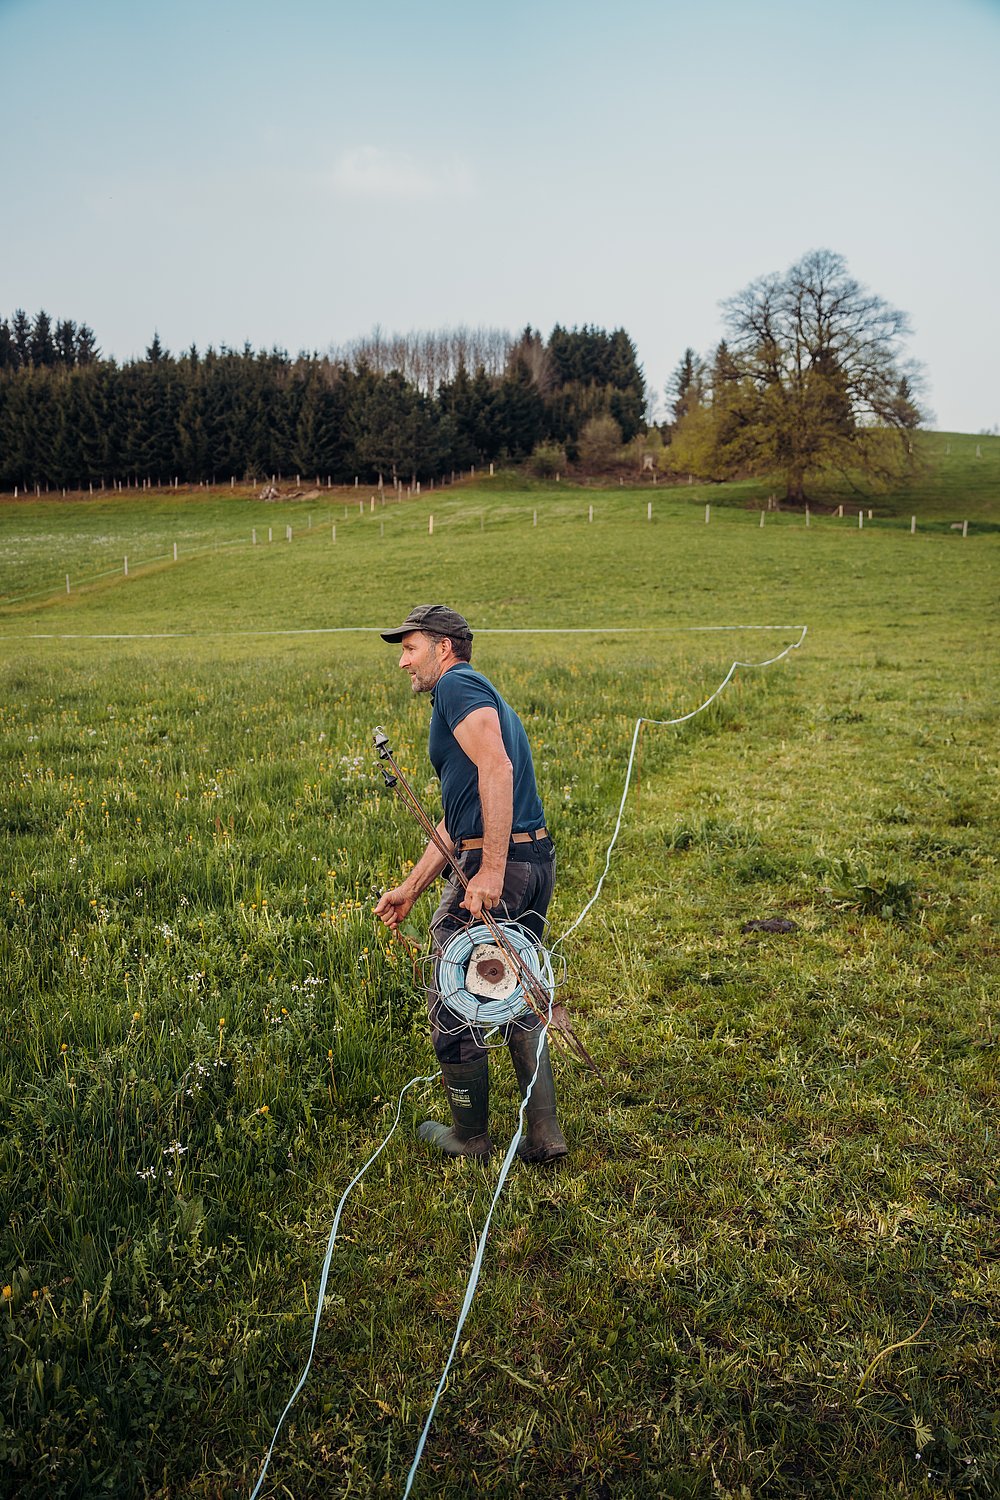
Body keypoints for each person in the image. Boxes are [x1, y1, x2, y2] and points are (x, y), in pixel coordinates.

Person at [373, 603, 568, 1165]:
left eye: (409, 648)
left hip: (502, 869)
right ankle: (544, 1134)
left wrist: (489, 871)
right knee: (513, 984)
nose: (402, 662)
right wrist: (411, 887)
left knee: (455, 992)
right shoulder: (465, 693)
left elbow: (498, 770)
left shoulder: (458, 685)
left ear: (443, 646)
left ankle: (470, 1137)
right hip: (531, 862)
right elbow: (457, 819)